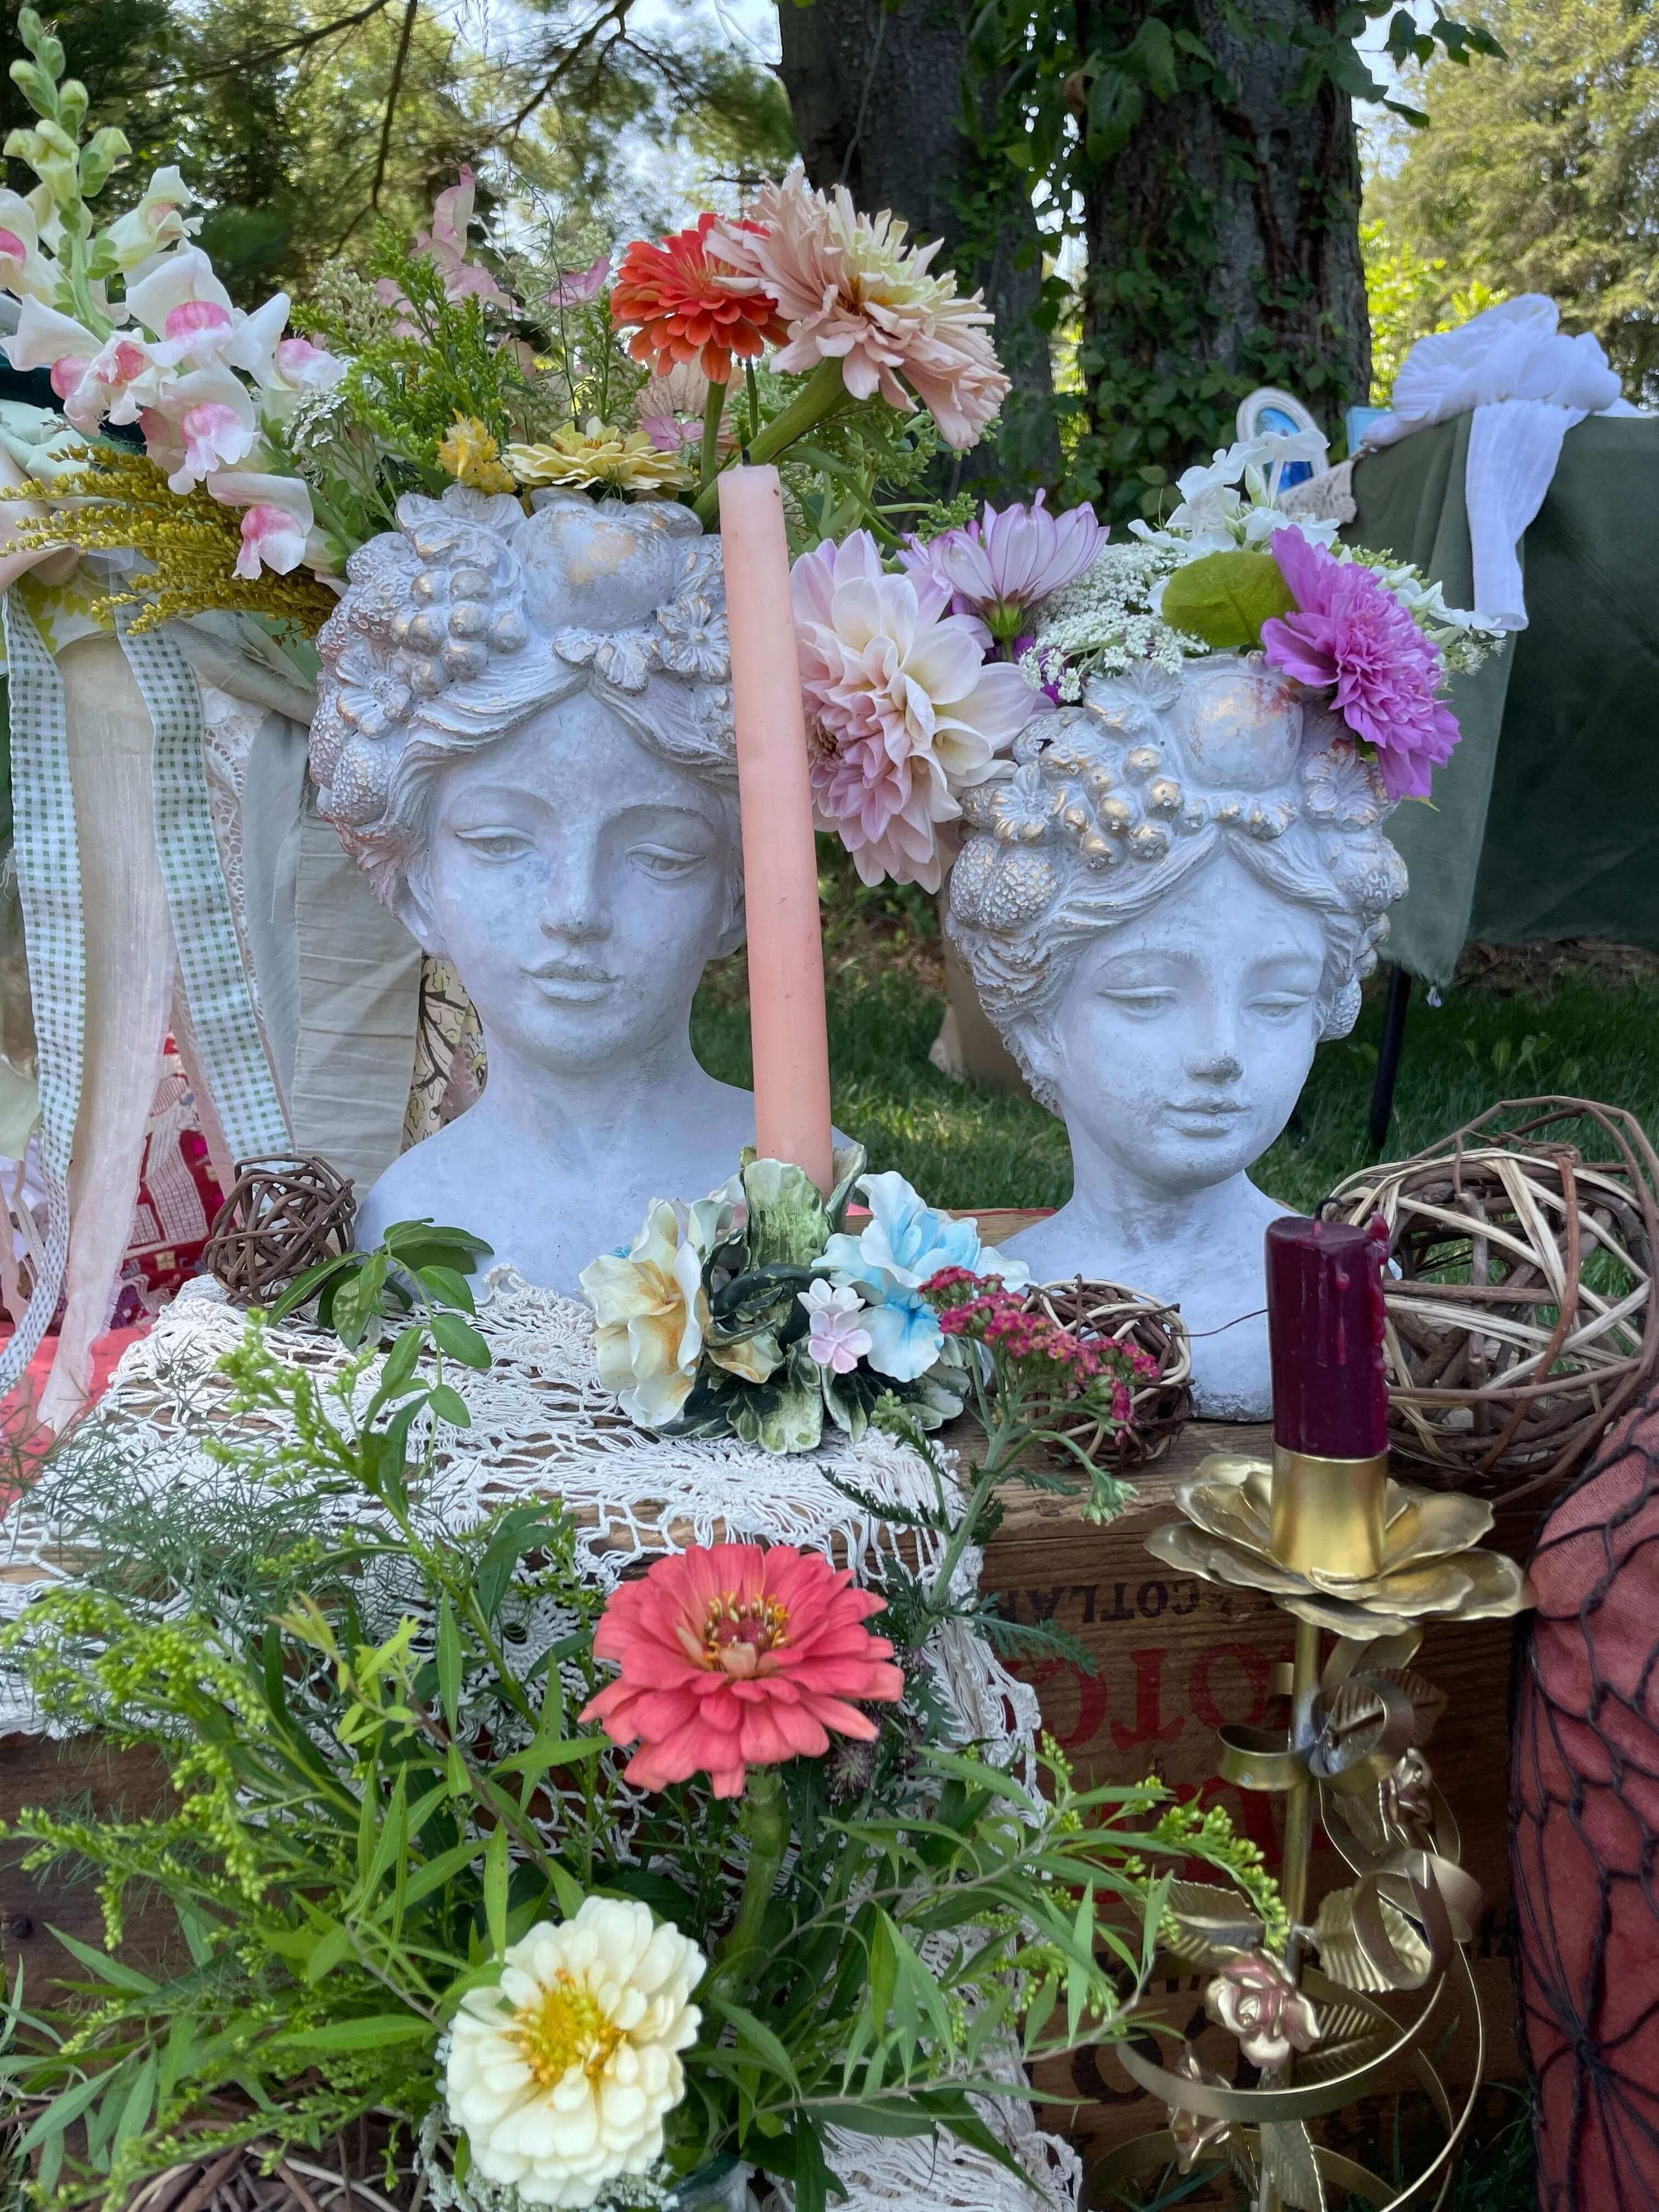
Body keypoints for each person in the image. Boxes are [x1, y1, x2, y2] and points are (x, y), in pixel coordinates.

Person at [308, 485, 754, 1290]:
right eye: (503, 843)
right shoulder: (412, 1223)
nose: (577, 910)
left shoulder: (805, 1190)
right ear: (414, 888)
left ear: (741, 899)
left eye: (658, 855)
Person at [947, 655, 1406, 1416]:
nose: (1220, 1051)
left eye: (1277, 1001)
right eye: (1149, 996)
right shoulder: (992, 1306)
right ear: (1034, 1023)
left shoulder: (1344, 1303)